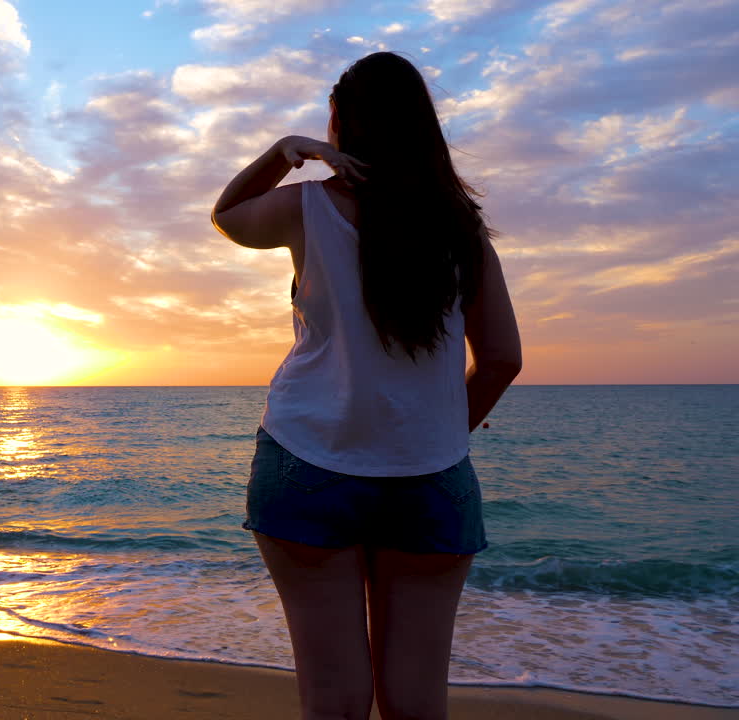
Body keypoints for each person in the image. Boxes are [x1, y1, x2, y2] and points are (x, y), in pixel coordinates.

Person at [210, 52, 522, 720]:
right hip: (431, 476)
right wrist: (432, 434)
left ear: (341, 122)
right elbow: (501, 358)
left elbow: (228, 214)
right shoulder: (462, 229)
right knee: (415, 704)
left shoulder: (306, 207)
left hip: (307, 459)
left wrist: (284, 152)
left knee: (334, 701)